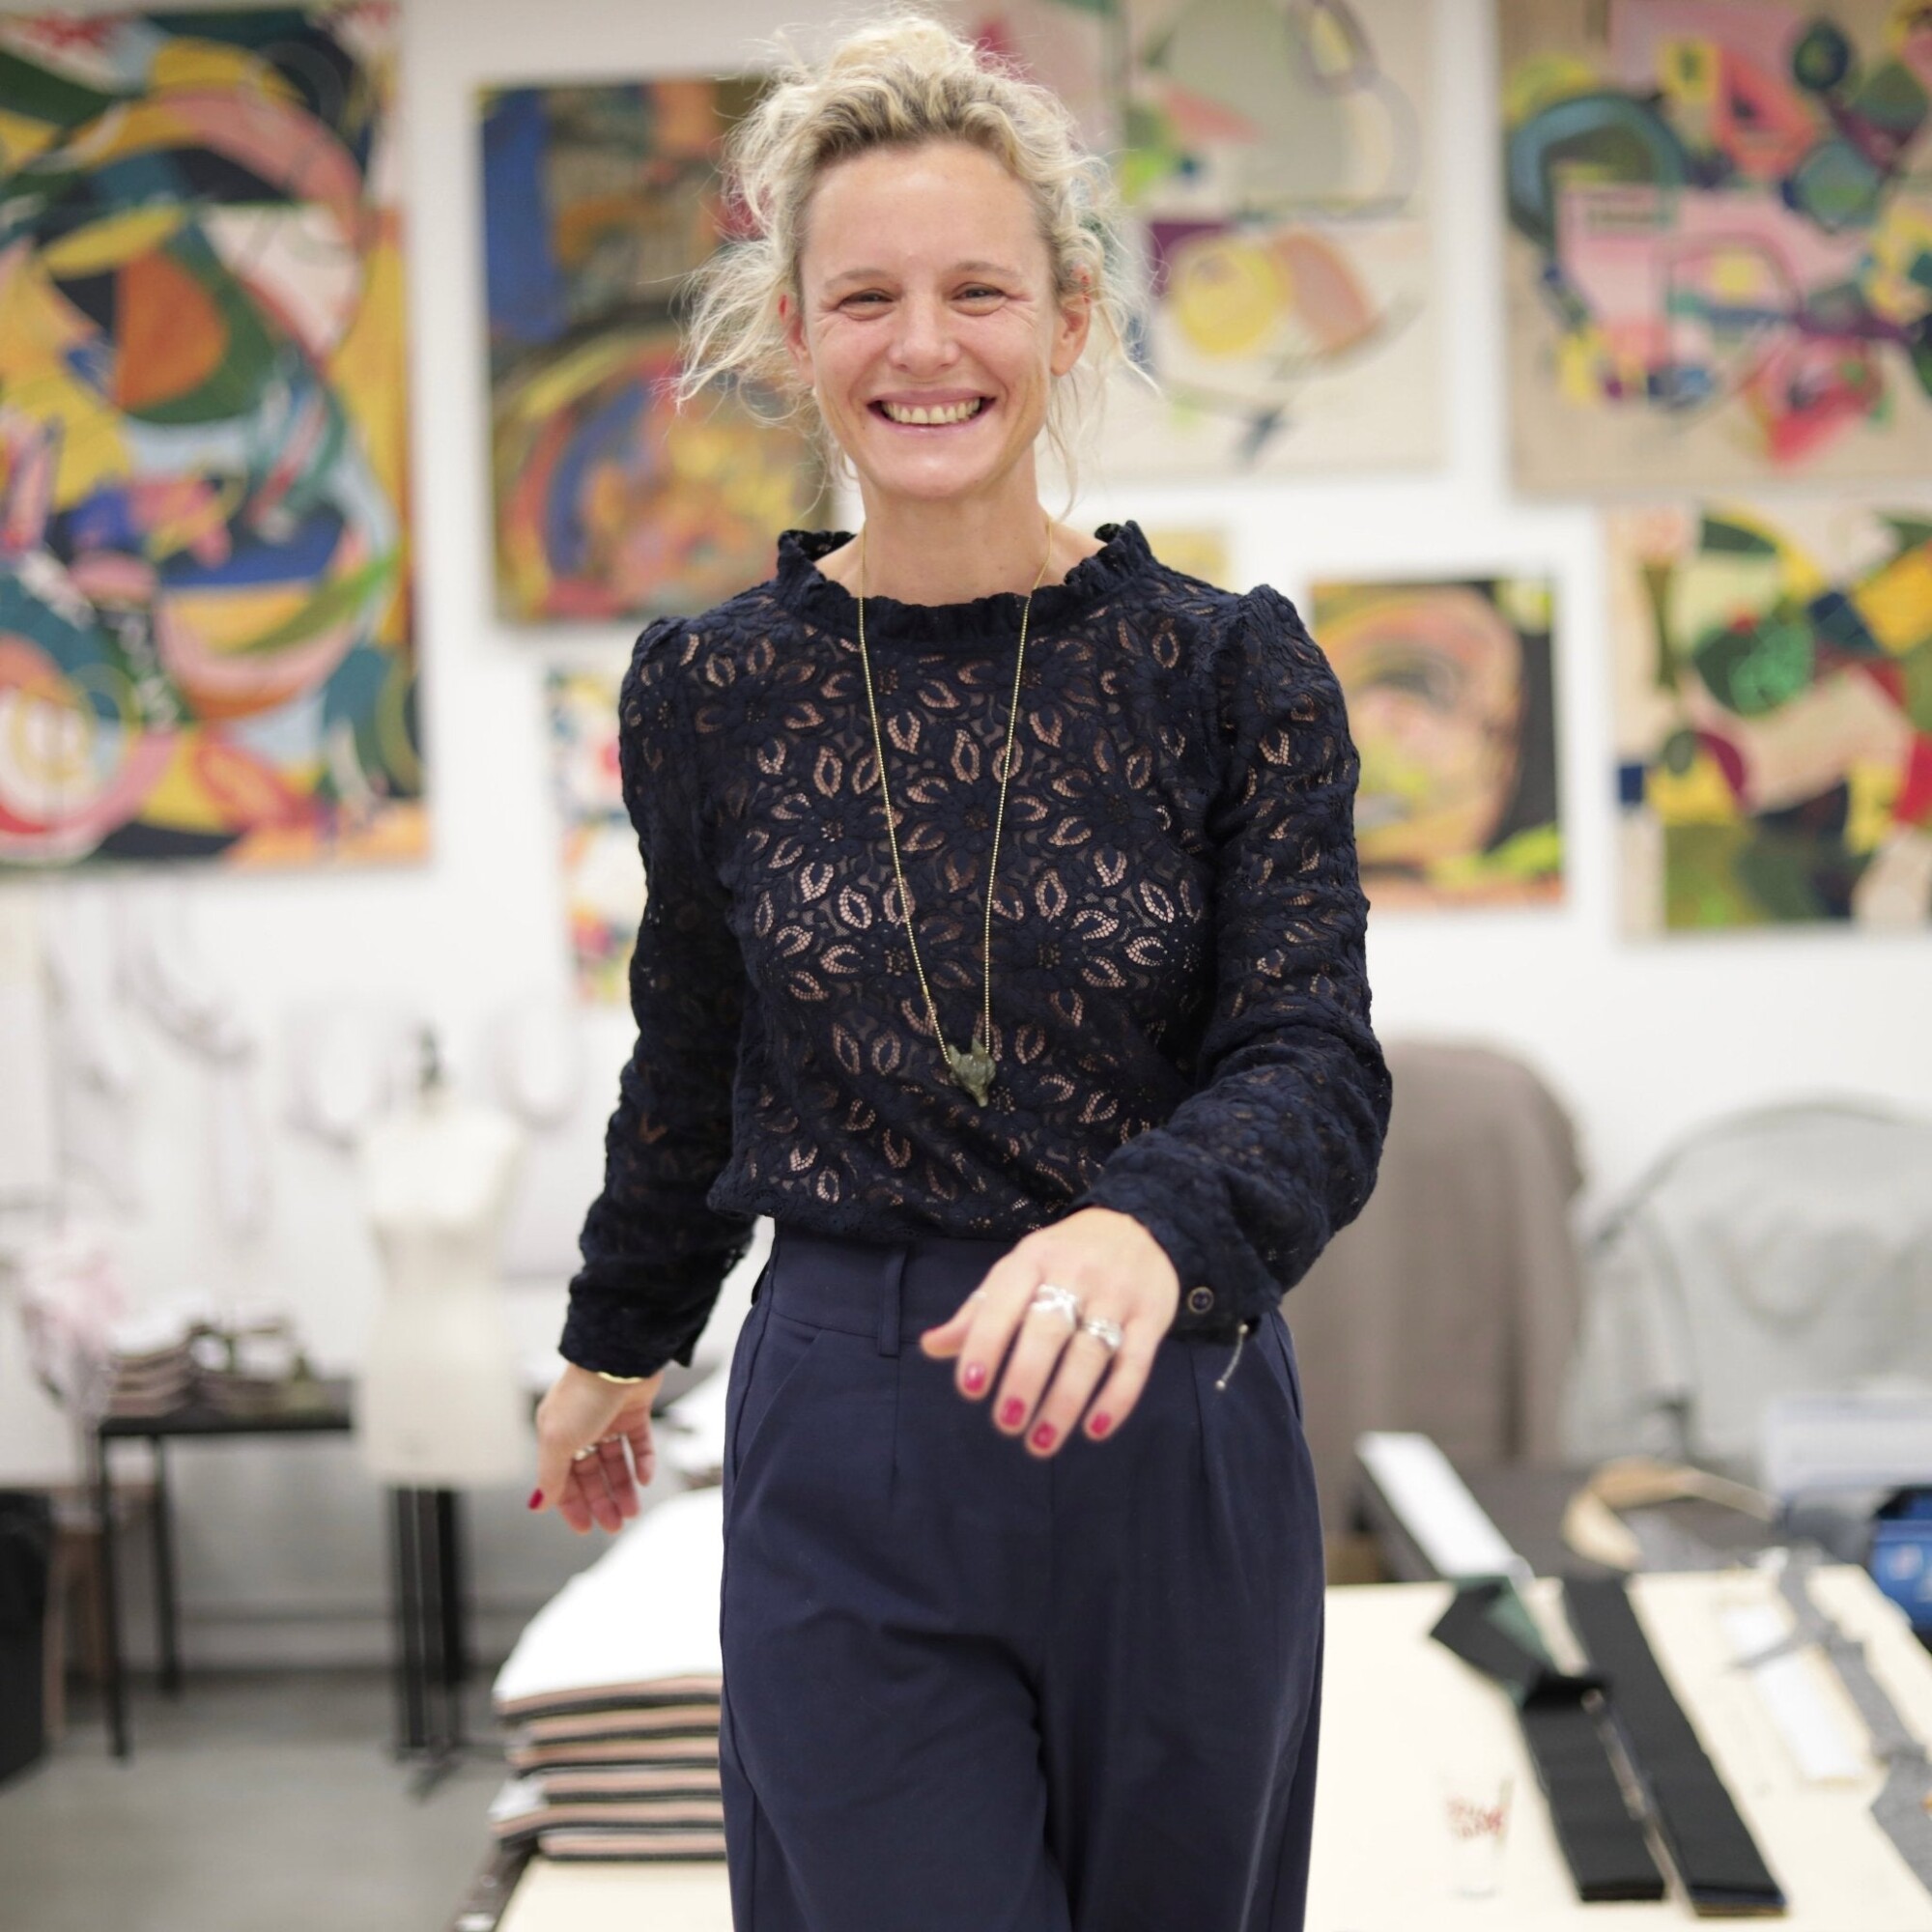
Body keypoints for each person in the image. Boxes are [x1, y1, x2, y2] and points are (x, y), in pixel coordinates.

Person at [530, 14, 1391, 1929]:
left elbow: (1314, 1057)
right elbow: (695, 1052)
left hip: (1171, 1406)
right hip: (855, 1426)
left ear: (1069, 319)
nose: (925, 346)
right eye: (867, 298)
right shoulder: (711, 690)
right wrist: (615, 1339)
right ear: (795, 333)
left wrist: (1150, 1223)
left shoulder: (1228, 669)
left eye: (978, 291)